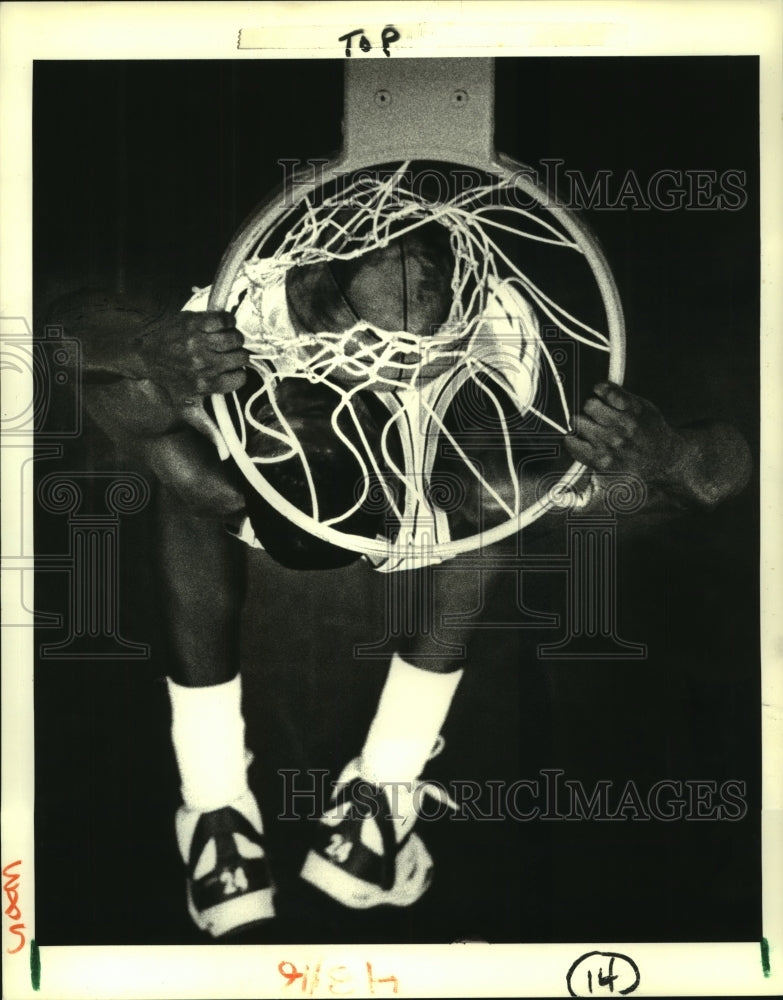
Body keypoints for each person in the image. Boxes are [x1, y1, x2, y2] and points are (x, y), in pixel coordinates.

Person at [48, 274, 752, 938]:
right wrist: (666, 454)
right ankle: (376, 786)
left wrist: (145, 346)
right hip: (452, 460)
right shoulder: (453, 478)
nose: (313, 408)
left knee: (186, 477)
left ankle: (222, 800)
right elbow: (723, 472)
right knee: (489, 503)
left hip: (269, 426)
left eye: (294, 415)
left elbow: (68, 324)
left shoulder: (233, 354)